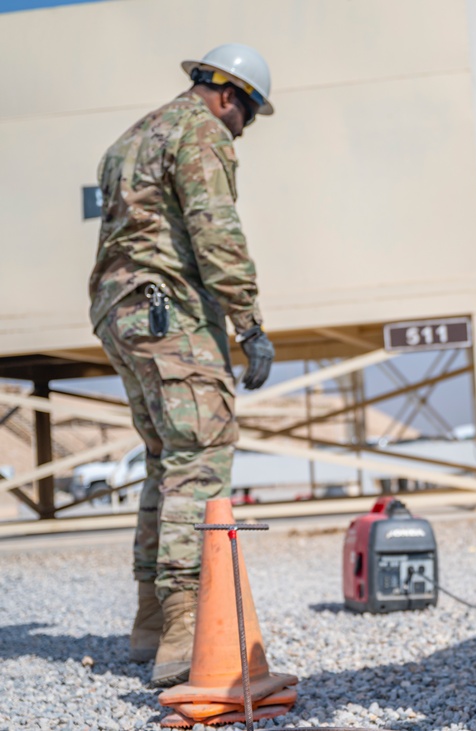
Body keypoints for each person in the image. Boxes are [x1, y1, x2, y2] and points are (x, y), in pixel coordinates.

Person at [88, 44, 277, 686]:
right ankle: (184, 623)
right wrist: (248, 323)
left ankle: (149, 619)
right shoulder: (202, 131)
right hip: (168, 308)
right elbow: (215, 229)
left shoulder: (128, 140)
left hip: (118, 311)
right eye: (245, 116)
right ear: (229, 96)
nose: (241, 129)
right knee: (200, 451)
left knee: (165, 459)